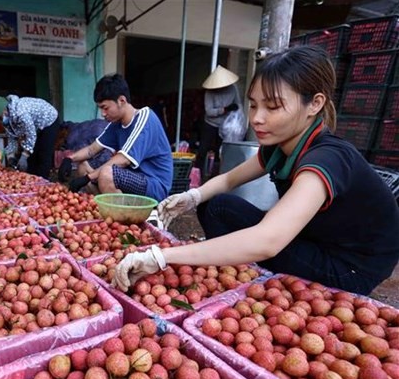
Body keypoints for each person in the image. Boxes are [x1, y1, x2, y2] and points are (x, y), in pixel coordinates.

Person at [113, 45, 399, 296]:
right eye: (253, 105)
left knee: (259, 245)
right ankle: (235, 266)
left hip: (349, 266)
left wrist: (163, 257)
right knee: (216, 206)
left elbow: (268, 240)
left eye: (272, 107)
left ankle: (245, 270)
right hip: (315, 239)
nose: (258, 118)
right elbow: (229, 179)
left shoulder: (326, 159)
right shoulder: (280, 145)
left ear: (315, 104)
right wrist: (192, 197)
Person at [63, 73, 173, 202]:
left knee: (107, 173)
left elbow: (124, 160)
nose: (103, 114)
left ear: (121, 101)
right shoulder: (116, 124)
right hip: (131, 179)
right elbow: (91, 150)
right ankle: (106, 208)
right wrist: (69, 159)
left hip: (153, 184)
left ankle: (122, 216)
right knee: (82, 166)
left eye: (105, 108)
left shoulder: (145, 118)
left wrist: (88, 178)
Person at [0, 94, 60, 178]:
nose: (0, 121)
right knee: (32, 157)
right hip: (36, 125)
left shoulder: (21, 112)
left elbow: (31, 134)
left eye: (0, 118)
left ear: (4, 110)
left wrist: (24, 155)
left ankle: (43, 180)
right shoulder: (7, 118)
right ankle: (32, 180)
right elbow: (12, 136)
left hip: (49, 120)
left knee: (43, 154)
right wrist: (10, 156)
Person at [195, 65, 242, 180]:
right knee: (203, 150)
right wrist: (224, 109)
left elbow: (238, 103)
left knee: (221, 152)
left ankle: (217, 177)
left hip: (225, 125)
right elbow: (209, 111)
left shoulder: (233, 88)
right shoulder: (209, 93)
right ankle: (198, 176)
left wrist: (237, 114)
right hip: (210, 124)